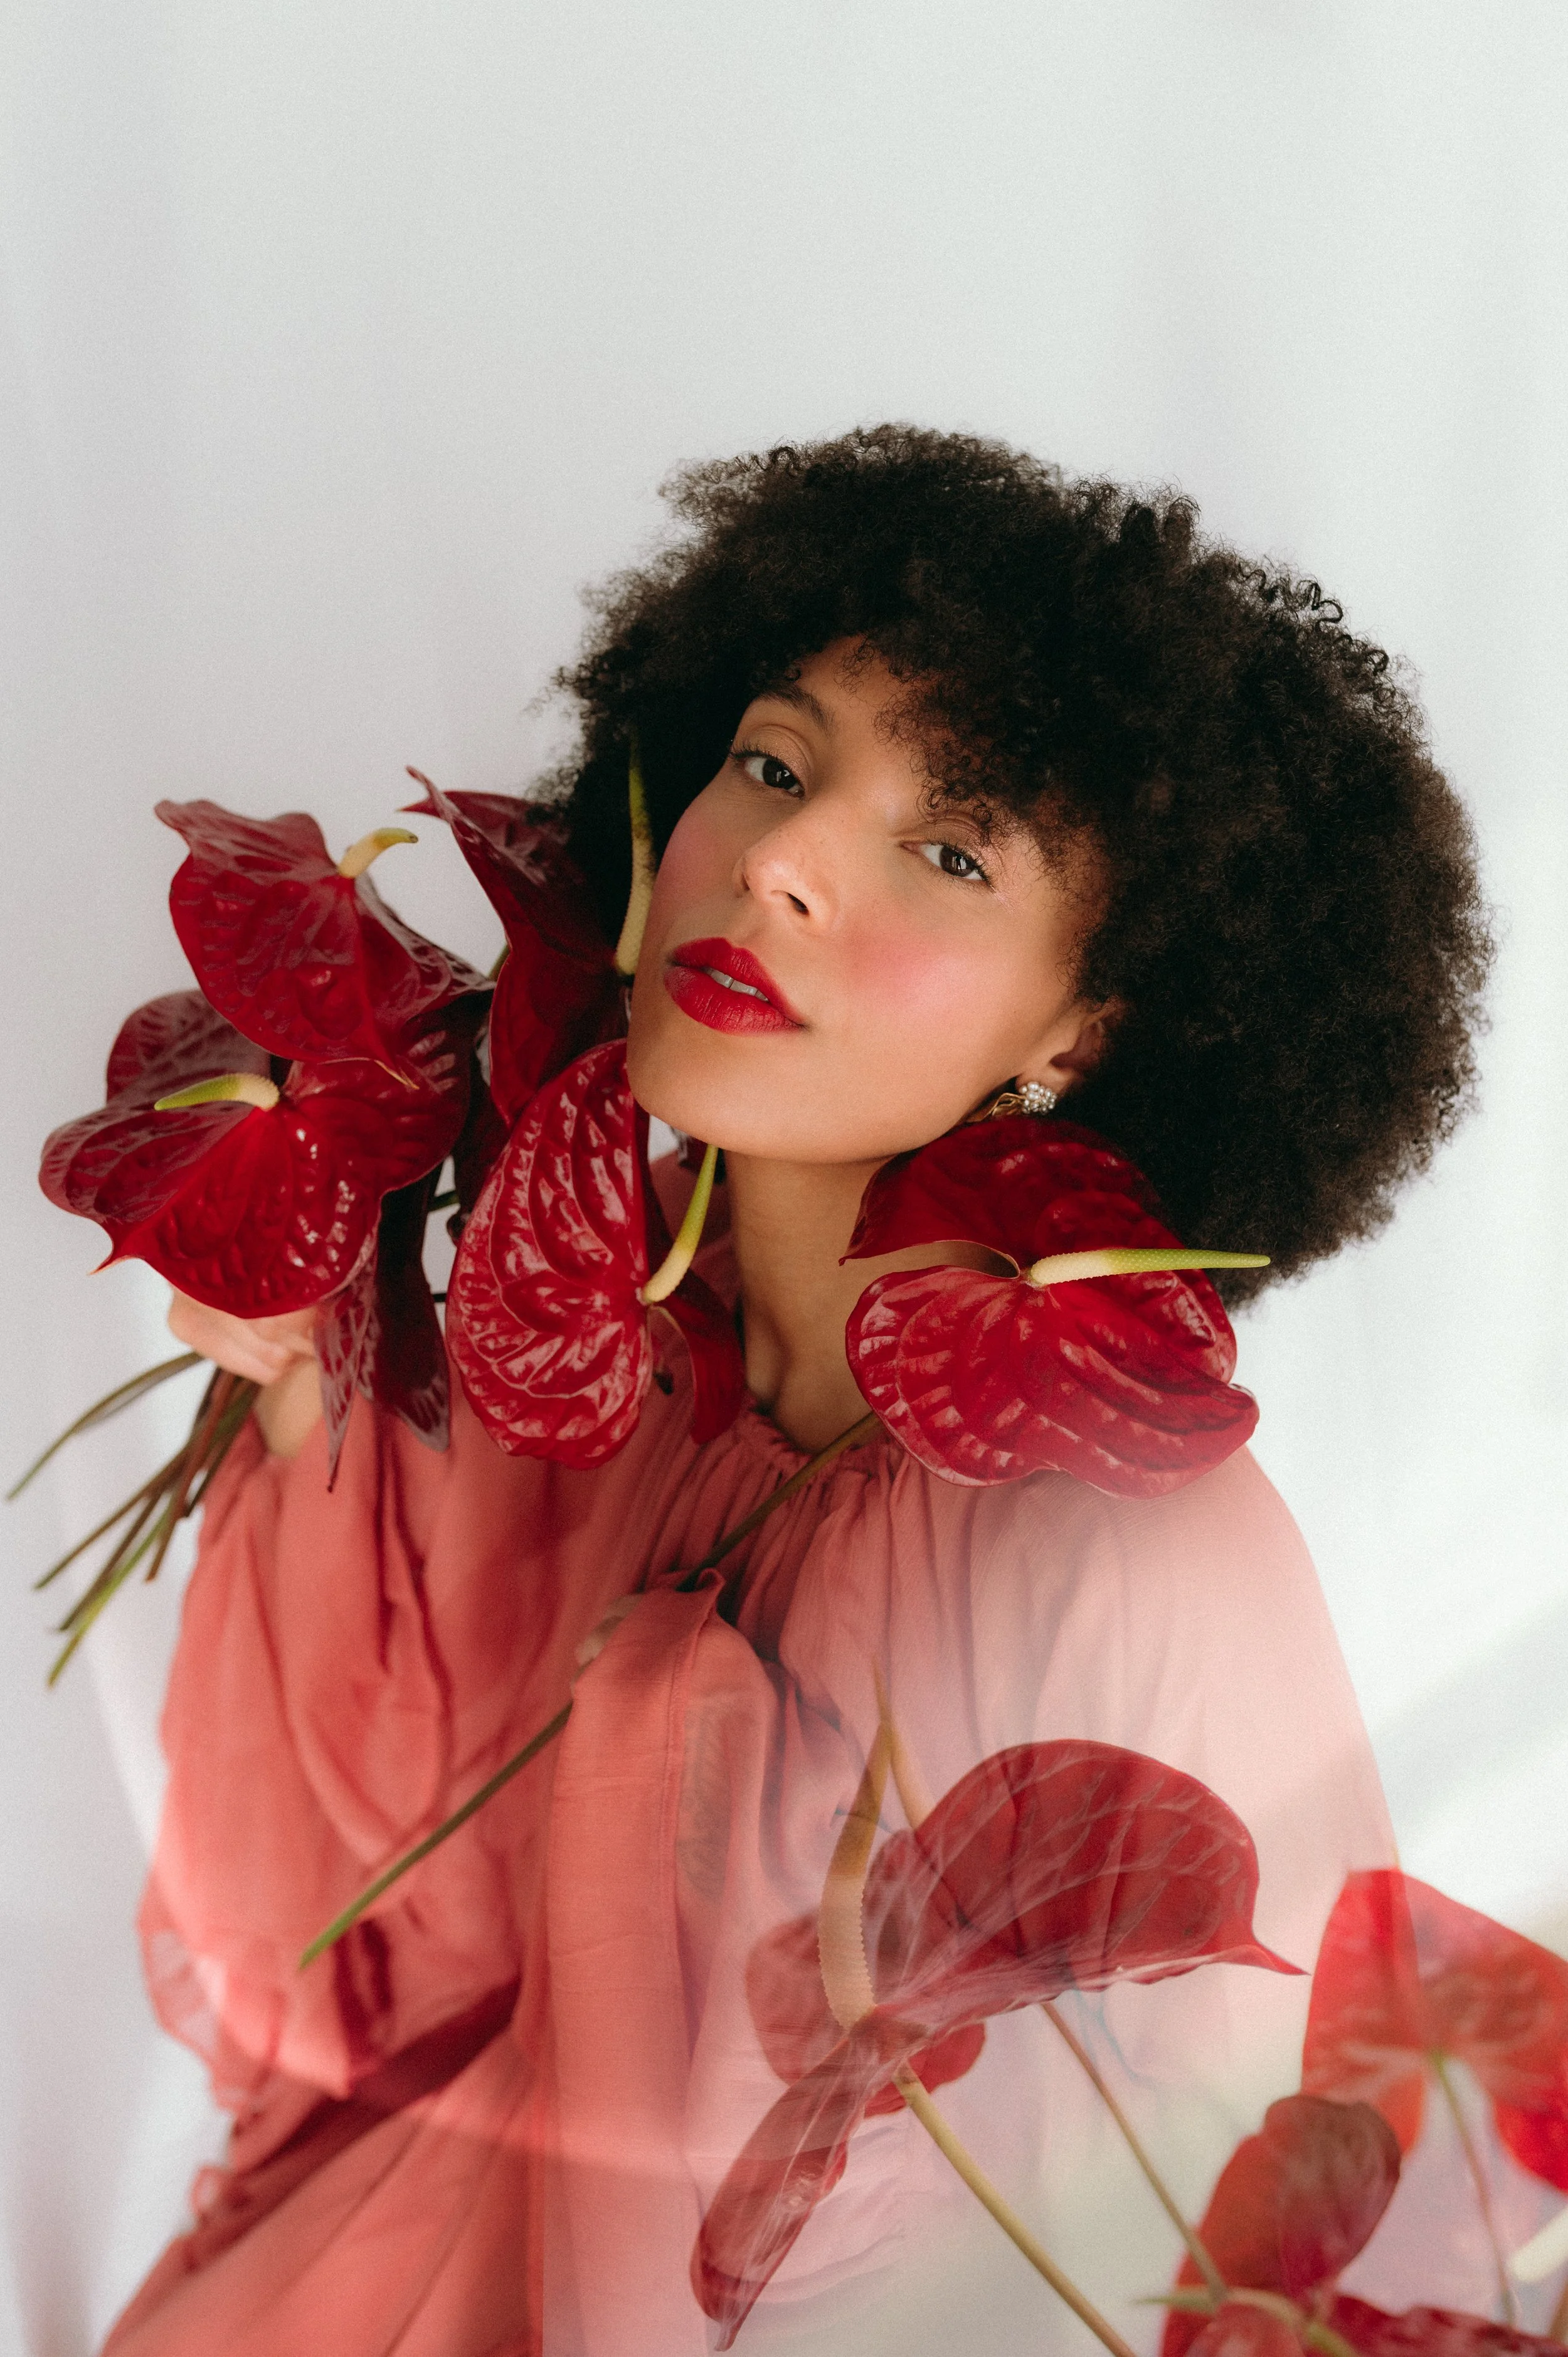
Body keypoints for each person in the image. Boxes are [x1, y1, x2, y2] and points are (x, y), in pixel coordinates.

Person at [99, 427, 1490, 2356]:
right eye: (770, 761)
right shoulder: (596, 1348)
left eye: (947, 848)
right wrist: (292, 1366)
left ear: (1084, 1030)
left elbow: (1265, 2221)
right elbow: (349, 1922)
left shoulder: (1125, 1537)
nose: (777, 864)